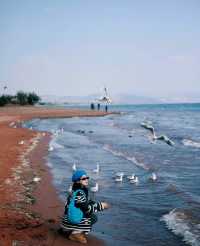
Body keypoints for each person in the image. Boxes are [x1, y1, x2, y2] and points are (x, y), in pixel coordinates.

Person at [60, 170, 110, 244]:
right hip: (71, 219)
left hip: (68, 218)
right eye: (83, 178)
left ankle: (71, 230)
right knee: (93, 217)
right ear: (77, 181)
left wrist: (95, 203)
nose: (86, 179)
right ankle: (74, 234)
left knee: (89, 214)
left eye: (87, 177)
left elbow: (84, 202)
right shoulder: (79, 193)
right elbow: (86, 208)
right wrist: (101, 206)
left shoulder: (76, 190)